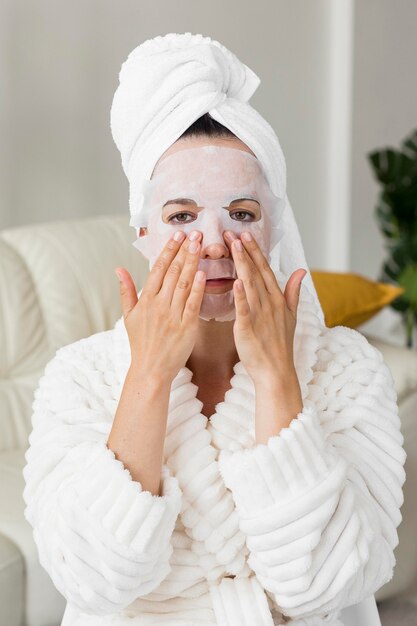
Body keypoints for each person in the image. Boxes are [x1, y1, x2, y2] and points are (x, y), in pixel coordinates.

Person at [23, 33, 406, 626]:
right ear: (143, 234)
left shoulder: (347, 370)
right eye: (180, 216)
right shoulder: (78, 379)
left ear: (274, 229)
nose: (213, 243)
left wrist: (277, 376)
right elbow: (91, 580)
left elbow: (330, 583)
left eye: (242, 215)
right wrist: (148, 377)